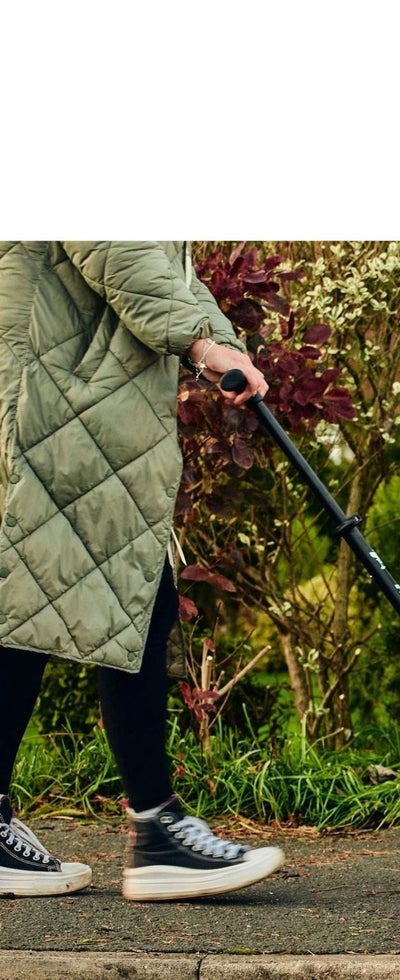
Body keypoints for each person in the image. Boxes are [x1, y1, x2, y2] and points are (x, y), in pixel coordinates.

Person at [0, 242, 284, 900]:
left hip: (65, 392)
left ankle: (157, 828)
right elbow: (118, 247)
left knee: (37, 605)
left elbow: (160, 266)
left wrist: (216, 338)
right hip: (58, 396)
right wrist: (207, 347)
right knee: (110, 601)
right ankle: (159, 832)